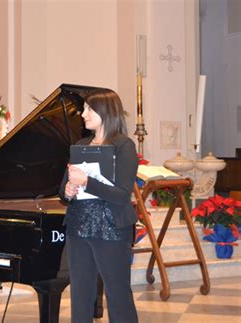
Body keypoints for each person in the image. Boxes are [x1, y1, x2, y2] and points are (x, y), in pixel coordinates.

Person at [59, 88, 138, 323]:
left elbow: (122, 195)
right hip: (79, 227)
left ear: (105, 112)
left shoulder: (124, 146)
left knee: (117, 294)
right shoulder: (81, 144)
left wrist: (86, 182)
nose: (83, 114)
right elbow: (63, 192)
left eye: (88, 109)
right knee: (80, 294)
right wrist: (68, 190)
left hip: (112, 228)